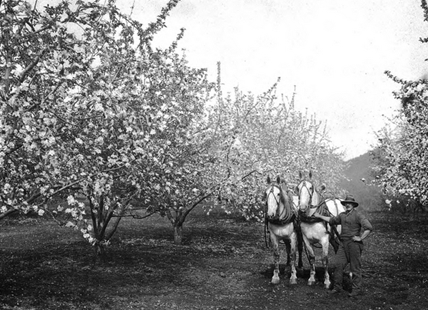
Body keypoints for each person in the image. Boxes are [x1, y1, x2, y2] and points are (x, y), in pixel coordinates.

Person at [314, 194, 373, 297]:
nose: (348, 205)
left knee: (355, 268)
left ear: (353, 205)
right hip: (343, 244)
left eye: (350, 203)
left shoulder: (358, 215)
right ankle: (337, 288)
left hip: (354, 245)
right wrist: (319, 216)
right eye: (346, 204)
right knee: (338, 265)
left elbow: (368, 227)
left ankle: (356, 290)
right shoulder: (342, 215)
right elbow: (332, 221)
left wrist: (360, 238)